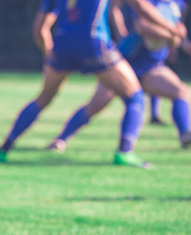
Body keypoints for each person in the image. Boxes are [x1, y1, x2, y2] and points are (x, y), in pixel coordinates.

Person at [0, 0, 185, 168]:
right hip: (93, 43)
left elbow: (40, 29)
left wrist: (49, 54)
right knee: (134, 96)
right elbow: (142, 7)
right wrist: (171, 28)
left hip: (62, 43)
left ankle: (4, 149)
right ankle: (125, 152)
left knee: (43, 98)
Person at [48, 0, 191, 152]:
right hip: (126, 62)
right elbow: (143, 26)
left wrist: (180, 43)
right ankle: (60, 139)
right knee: (95, 106)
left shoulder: (178, 5)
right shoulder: (150, 2)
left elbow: (176, 33)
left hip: (151, 67)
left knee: (181, 92)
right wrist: (172, 35)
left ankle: (185, 135)